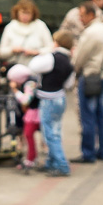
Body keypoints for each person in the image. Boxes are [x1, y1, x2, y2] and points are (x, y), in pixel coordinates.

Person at [71, 1, 103, 163]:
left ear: (90, 14)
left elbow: (80, 58)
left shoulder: (91, 32)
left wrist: (75, 68)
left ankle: (88, 153)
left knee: (87, 115)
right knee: (101, 115)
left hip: (89, 76)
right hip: (102, 76)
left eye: (82, 15)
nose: (80, 19)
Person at [29, 31, 75, 176]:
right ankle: (52, 162)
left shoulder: (51, 58)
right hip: (60, 98)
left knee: (49, 133)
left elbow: (33, 66)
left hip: (48, 99)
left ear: (56, 42)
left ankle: (62, 165)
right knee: (55, 131)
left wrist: (46, 51)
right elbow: (69, 84)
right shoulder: (69, 62)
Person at [0, 0, 54, 67]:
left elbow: (51, 48)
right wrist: (12, 50)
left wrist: (36, 52)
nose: (25, 16)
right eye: (23, 13)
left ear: (33, 13)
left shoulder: (40, 26)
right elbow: (1, 53)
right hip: (15, 67)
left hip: (36, 67)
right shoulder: (10, 27)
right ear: (17, 13)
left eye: (28, 13)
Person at [7, 63, 40, 171]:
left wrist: (16, 91)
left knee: (28, 134)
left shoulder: (29, 84)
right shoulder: (31, 80)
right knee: (30, 135)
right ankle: (32, 157)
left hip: (35, 112)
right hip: (36, 111)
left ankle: (30, 159)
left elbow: (26, 100)